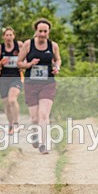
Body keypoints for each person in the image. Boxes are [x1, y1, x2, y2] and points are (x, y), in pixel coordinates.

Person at [17, 18, 61, 154]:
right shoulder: (28, 45)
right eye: (40, 31)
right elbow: (19, 63)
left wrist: (56, 67)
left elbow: (58, 59)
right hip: (31, 84)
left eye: (45, 31)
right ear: (36, 31)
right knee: (35, 118)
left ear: (49, 32)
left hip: (48, 83)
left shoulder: (53, 46)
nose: (42, 34)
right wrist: (29, 64)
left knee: (43, 115)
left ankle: (44, 143)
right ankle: (35, 135)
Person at [0, 27, 23, 134]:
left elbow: (26, 58)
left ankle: (16, 124)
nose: (9, 37)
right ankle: (11, 125)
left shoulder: (19, 45)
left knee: (12, 100)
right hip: (4, 78)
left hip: (16, 77)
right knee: (6, 104)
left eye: (11, 35)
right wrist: (1, 63)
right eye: (7, 35)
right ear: (3, 37)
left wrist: (23, 65)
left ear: (14, 36)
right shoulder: (0, 48)